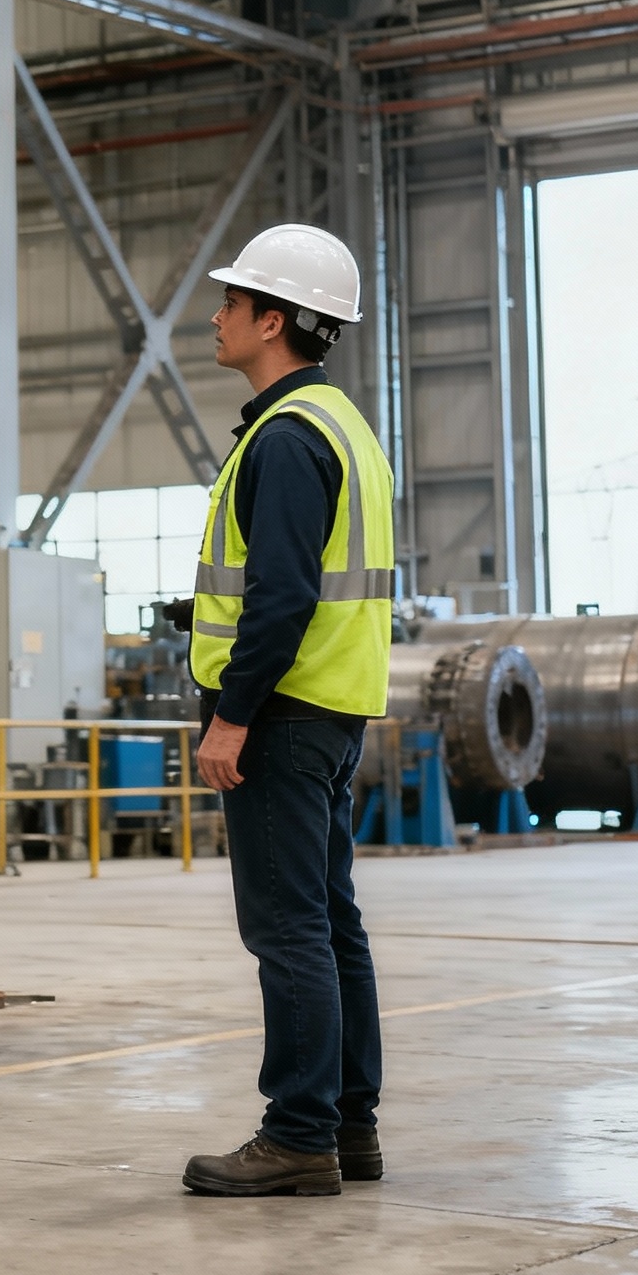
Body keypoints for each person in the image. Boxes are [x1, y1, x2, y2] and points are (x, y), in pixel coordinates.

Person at [173, 223, 394, 1198]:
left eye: (230, 301)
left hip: (282, 716)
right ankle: (348, 1126)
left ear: (272, 320)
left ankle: (296, 1132)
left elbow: (279, 597)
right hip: (332, 712)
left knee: (287, 929)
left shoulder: (287, 437)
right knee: (329, 920)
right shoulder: (342, 425)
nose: (214, 315)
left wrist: (230, 716)